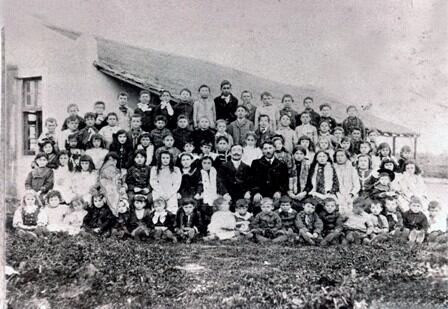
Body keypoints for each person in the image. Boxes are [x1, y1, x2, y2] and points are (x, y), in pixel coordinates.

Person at [250, 141, 289, 206]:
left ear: (274, 149)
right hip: (260, 194)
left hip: (275, 195)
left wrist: (279, 191)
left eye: (270, 148)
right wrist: (256, 192)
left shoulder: (282, 164)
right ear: (262, 150)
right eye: (265, 149)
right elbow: (252, 180)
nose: (268, 151)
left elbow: (285, 182)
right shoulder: (256, 163)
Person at [197, 156, 229, 229]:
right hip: (203, 194)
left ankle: (216, 225)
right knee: (204, 209)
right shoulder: (199, 172)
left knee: (216, 207)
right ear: (201, 164)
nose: (206, 165)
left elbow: (219, 183)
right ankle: (204, 226)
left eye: (209, 163)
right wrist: (198, 192)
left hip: (214, 193)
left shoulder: (214, 172)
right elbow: (199, 184)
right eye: (204, 163)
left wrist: (225, 193)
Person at [218, 144, 251, 210]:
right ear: (230, 153)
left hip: (242, 195)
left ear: (242, 153)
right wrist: (225, 193)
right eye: (234, 150)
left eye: (239, 150)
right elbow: (220, 181)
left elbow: (249, 182)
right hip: (228, 195)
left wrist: (248, 192)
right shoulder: (223, 166)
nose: (236, 152)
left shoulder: (247, 167)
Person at [333, 149, 360, 215]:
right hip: (337, 194)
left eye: (342, 155)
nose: (339, 158)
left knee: (351, 209)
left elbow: (357, 185)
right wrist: (337, 195)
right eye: (337, 156)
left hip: (351, 194)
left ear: (346, 157)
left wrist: (351, 194)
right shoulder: (332, 168)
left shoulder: (352, 169)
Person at [98, 152, 125, 216]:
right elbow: (101, 183)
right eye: (110, 160)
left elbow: (123, 182)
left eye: (114, 160)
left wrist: (123, 187)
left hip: (118, 190)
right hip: (107, 190)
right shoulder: (103, 172)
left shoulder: (121, 171)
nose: (112, 162)